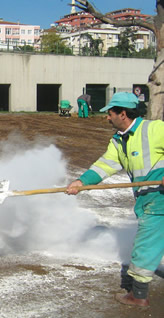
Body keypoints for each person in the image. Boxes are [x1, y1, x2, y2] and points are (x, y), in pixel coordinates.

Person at [66, 92, 164, 307]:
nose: (107, 118)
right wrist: (82, 182)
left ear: (122, 113)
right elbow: (106, 164)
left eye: (110, 114)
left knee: (145, 245)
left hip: (157, 199)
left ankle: (138, 295)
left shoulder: (154, 129)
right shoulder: (119, 141)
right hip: (146, 197)